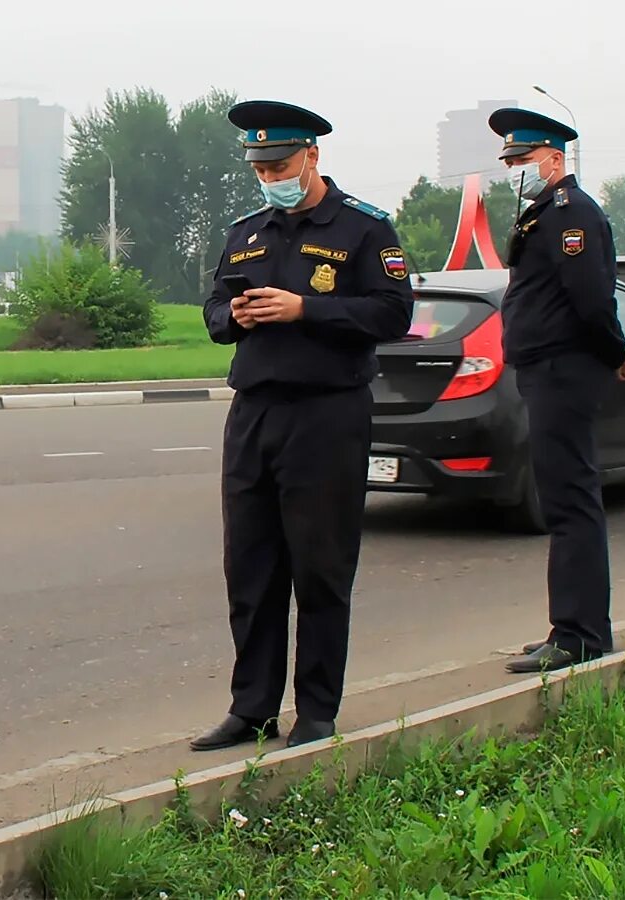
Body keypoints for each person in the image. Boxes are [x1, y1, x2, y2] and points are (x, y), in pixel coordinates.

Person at [191, 100, 414, 752]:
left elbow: (393, 312)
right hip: (254, 411)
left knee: (319, 569)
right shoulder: (247, 230)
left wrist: (304, 310)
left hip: (327, 414)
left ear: (313, 156)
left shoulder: (364, 229)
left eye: (280, 164)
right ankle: (252, 708)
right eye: (260, 168)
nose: (270, 177)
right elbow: (212, 306)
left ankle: (316, 711)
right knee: (251, 572)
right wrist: (237, 315)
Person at [488, 107, 625, 675]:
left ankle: (581, 634)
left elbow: (591, 300)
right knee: (561, 500)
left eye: (523, 159)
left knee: (572, 501)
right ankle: (570, 626)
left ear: (554, 158)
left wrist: (615, 353)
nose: (514, 169)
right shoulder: (540, 215)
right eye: (509, 160)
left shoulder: (572, 212)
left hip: (564, 369)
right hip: (544, 368)